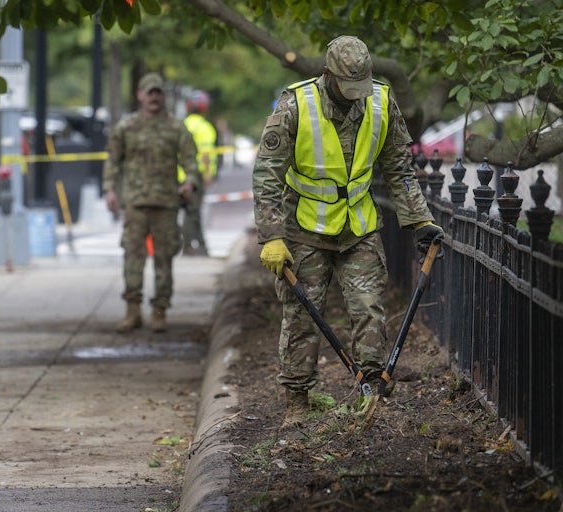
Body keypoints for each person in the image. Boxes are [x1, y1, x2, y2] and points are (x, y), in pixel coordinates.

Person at [252, 36, 443, 427]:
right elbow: (267, 174)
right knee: (302, 316)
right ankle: (297, 400)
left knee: (369, 308)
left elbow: (399, 169)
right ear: (328, 74)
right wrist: (272, 235)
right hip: (304, 226)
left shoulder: (380, 100)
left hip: (358, 225)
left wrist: (419, 220)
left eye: (361, 85)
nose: (356, 95)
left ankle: (371, 390)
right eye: (347, 86)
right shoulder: (296, 105)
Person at [103, 73, 201, 333]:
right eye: (150, 92)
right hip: (135, 203)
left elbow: (190, 159)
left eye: (158, 92)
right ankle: (132, 311)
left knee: (164, 259)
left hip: (166, 203)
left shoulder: (176, 127)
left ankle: (160, 311)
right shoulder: (126, 127)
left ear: (163, 96)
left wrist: (189, 181)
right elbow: (113, 160)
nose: (154, 97)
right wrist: (110, 190)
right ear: (140, 95)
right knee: (133, 258)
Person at [178, 89, 217, 256]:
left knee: (189, 211)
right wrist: (208, 175)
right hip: (196, 176)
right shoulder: (205, 127)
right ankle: (189, 246)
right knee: (192, 211)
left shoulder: (182, 125)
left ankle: (199, 244)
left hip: (178, 174)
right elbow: (206, 154)